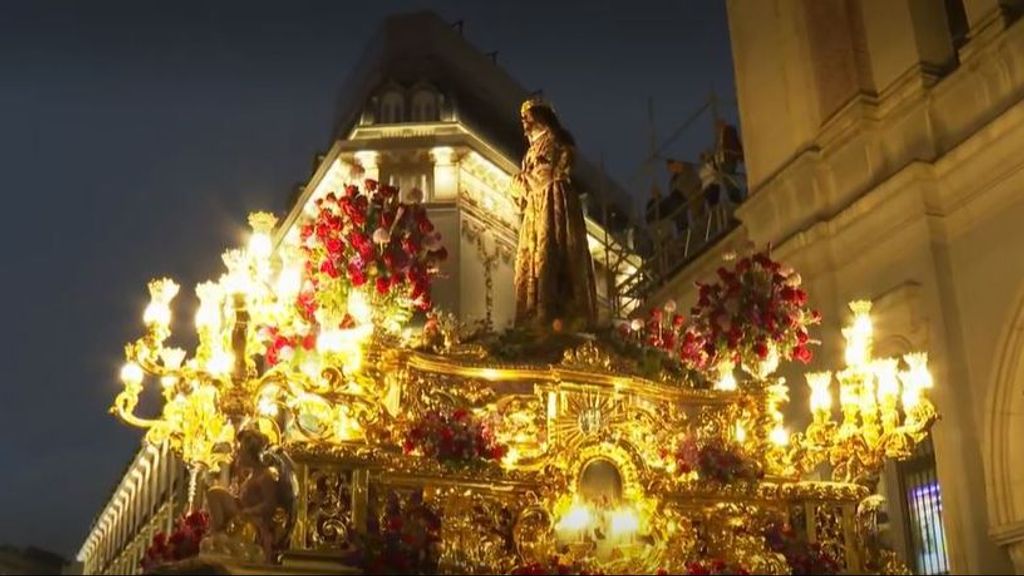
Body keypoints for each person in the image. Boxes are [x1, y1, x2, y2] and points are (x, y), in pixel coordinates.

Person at [511, 97, 598, 332]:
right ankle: (536, 311)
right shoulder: (530, 152)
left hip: (553, 200)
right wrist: (520, 184)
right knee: (535, 254)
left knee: (554, 249)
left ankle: (557, 308)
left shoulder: (554, 141)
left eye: (528, 118)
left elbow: (548, 173)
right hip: (535, 208)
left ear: (542, 118)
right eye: (523, 120)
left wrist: (524, 181)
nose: (525, 124)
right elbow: (521, 188)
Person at [205, 429, 282, 562]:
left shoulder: (266, 476)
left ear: (251, 453)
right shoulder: (251, 476)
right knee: (214, 492)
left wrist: (248, 511)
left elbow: (270, 504)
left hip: (252, 523)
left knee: (214, 493)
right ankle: (218, 530)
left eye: (241, 451)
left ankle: (219, 530)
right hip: (243, 516)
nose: (238, 455)